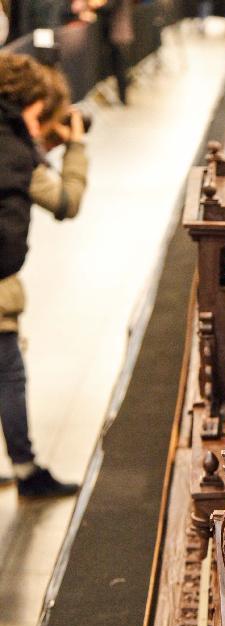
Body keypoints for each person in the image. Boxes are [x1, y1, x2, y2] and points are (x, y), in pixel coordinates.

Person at [0, 54, 88, 498]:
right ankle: (27, 470)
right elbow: (66, 202)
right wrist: (74, 147)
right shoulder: (16, 154)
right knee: (9, 374)